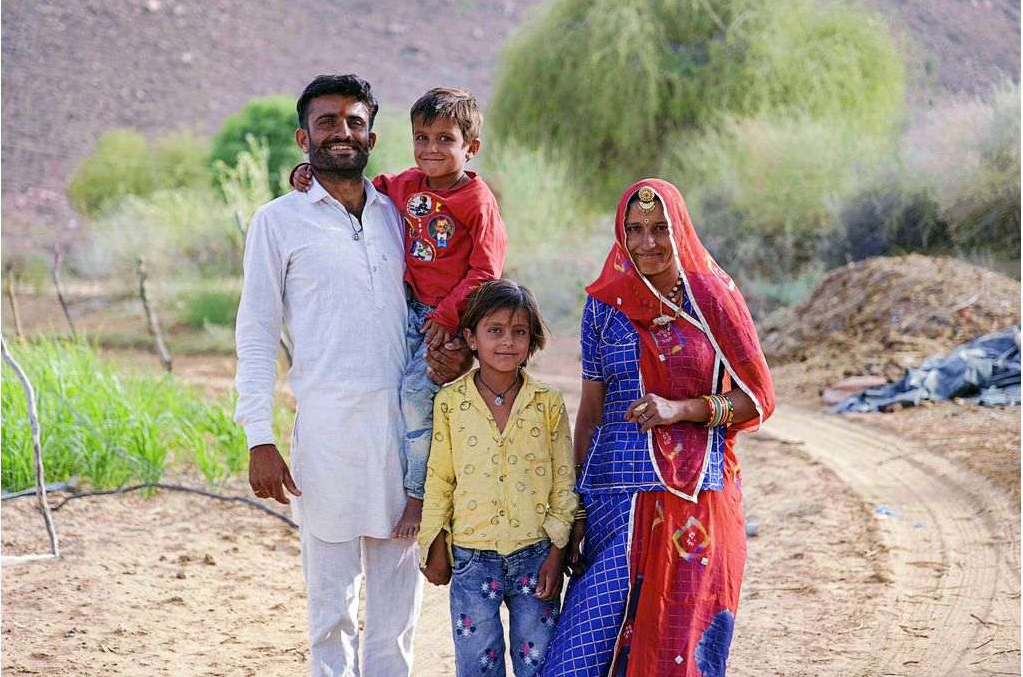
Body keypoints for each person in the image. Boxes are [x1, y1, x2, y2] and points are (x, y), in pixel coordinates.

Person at [235, 74, 470, 677]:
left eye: (354, 122)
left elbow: (450, 292)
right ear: (302, 137)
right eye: (327, 122)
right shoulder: (278, 222)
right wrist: (258, 436)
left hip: (404, 438)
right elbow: (257, 332)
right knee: (330, 608)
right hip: (328, 437)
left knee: (397, 614)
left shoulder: (403, 213)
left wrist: (458, 353)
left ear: (371, 134)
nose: (342, 132)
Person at [539, 179, 776, 677]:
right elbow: (590, 412)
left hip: (694, 500)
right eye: (635, 230)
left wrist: (681, 409)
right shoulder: (604, 304)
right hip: (613, 502)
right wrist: (575, 503)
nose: (647, 242)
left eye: (660, 229)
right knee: (576, 656)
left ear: (680, 230)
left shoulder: (711, 297)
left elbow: (755, 399)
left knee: (676, 647)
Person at [291, 87, 508, 540]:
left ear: (472, 147)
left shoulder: (478, 201)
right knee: (396, 401)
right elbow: (355, 189)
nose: (431, 150)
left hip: (449, 319)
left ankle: (419, 494)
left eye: (445, 139)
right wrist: (306, 172)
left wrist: (449, 317)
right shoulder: (407, 185)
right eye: (422, 138)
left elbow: (486, 271)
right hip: (409, 310)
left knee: (415, 394)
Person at [418, 279, 579, 677]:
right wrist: (432, 542)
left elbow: (564, 480)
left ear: (531, 340)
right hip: (472, 558)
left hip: (535, 554)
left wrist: (556, 552)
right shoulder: (450, 403)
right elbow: (440, 478)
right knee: (476, 665)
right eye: (495, 331)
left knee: (538, 663)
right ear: (471, 338)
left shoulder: (547, 403)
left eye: (519, 332)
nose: (507, 342)